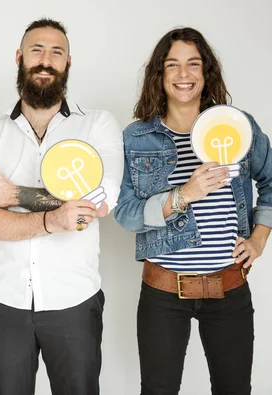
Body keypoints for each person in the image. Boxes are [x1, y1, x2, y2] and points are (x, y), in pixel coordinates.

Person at [0, 18, 123, 395]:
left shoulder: (97, 126)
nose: (46, 60)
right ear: (19, 57)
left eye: (56, 52)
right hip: (3, 302)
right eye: (37, 50)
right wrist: (55, 218)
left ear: (68, 63)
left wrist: (15, 196)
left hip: (74, 302)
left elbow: (99, 203)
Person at [114, 27, 272, 395]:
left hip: (229, 288)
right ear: (159, 74)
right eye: (172, 65)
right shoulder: (136, 138)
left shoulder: (238, 126)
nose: (183, 75)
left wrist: (260, 237)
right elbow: (124, 213)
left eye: (193, 64)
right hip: (163, 293)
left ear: (206, 72)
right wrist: (182, 195)